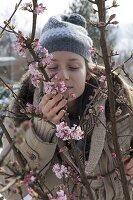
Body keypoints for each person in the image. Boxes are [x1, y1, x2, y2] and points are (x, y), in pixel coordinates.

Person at [1, 13, 133, 200]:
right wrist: (41, 129)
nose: (63, 75)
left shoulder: (121, 106)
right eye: (53, 67)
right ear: (39, 72)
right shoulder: (21, 111)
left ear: (88, 72)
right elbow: (10, 188)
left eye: (73, 67)